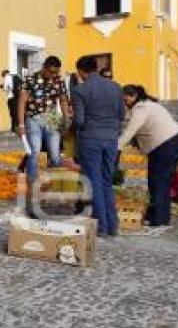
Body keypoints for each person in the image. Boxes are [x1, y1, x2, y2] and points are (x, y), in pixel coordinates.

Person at [70, 55, 125, 236]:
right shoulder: (116, 87)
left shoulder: (80, 90)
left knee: (93, 181)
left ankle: (100, 226)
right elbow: (121, 115)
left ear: (81, 71)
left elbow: (79, 120)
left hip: (90, 139)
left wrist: (69, 130)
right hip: (111, 139)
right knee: (106, 181)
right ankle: (113, 225)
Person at [119, 85, 178, 227]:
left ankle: (159, 219)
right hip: (174, 142)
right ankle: (158, 215)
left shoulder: (141, 109)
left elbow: (130, 131)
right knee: (161, 181)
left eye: (125, 98)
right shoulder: (148, 105)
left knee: (158, 181)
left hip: (166, 145)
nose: (124, 102)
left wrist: (115, 148)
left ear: (133, 96)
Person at [17, 55, 71, 183]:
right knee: (34, 151)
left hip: (52, 118)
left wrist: (66, 120)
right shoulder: (30, 79)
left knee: (55, 155)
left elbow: (63, 101)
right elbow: (21, 102)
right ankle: (32, 182)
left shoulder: (59, 81)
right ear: (44, 68)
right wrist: (21, 125)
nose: (53, 75)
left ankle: (56, 181)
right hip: (33, 119)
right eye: (51, 72)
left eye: (56, 72)